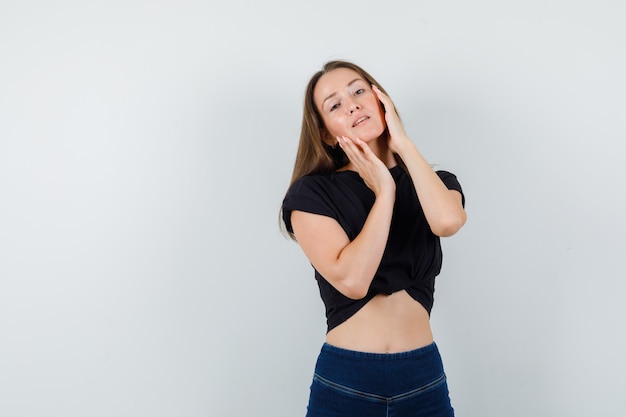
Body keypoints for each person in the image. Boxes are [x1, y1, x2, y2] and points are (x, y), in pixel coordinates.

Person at [281, 60, 467, 417]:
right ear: (326, 134)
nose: (351, 104)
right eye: (334, 105)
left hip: (422, 377)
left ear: (382, 100)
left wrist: (403, 143)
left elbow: (446, 220)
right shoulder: (312, 195)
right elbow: (353, 280)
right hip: (347, 379)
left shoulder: (435, 181)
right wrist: (384, 191)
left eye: (358, 91)